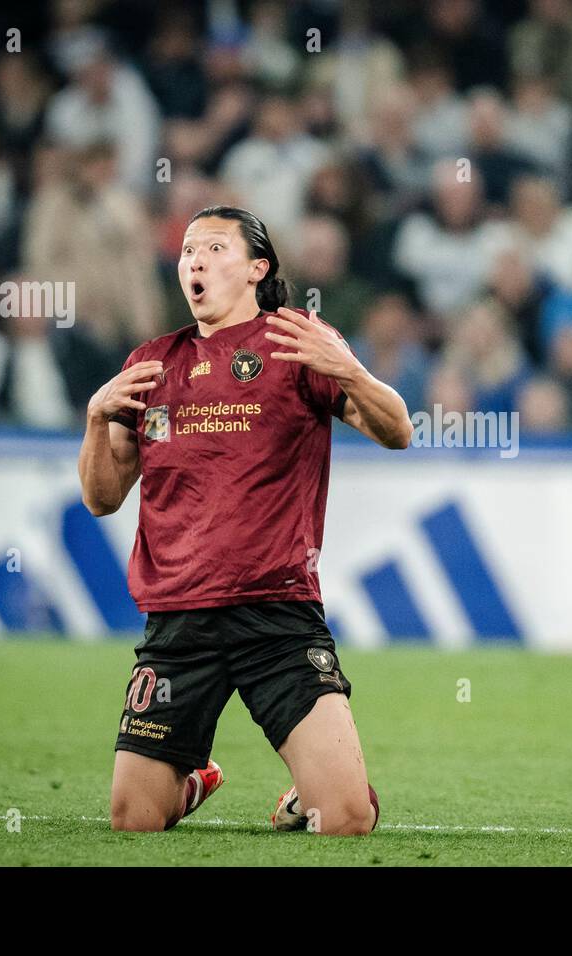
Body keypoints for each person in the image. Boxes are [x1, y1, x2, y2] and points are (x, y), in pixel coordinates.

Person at [79, 205, 412, 835]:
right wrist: (97, 419)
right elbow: (102, 498)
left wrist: (348, 368)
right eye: (186, 251)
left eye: (212, 248)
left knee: (344, 820)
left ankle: (309, 794)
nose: (194, 260)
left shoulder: (299, 343)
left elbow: (398, 431)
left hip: (277, 617)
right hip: (179, 622)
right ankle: (197, 776)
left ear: (258, 268)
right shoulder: (151, 364)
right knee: (133, 822)